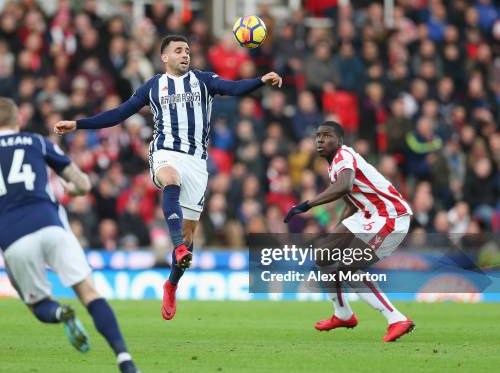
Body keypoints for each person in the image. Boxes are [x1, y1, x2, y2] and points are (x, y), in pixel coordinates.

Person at [54, 34, 282, 320]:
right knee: (170, 180)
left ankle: (171, 283)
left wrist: (260, 81)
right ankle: (176, 249)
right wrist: (78, 124)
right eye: (178, 50)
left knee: (189, 239)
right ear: (165, 57)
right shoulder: (153, 87)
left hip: (197, 162)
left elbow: (233, 88)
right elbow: (118, 113)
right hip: (165, 152)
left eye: (187, 50)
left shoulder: (203, 80)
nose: (185, 54)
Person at [0, 97, 144, 373]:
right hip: (51, 226)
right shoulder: (37, 142)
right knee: (90, 294)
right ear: (18, 121)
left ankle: (60, 314)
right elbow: (82, 183)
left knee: (38, 303)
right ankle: (124, 358)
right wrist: (74, 190)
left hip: (14, 239)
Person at [284, 121, 415, 342]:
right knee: (324, 254)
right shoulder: (334, 166)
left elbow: (344, 186)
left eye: (327, 136)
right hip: (368, 214)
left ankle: (396, 318)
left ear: (340, 141)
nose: (320, 140)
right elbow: (351, 204)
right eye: (318, 136)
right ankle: (342, 314)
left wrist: (308, 204)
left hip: (390, 216)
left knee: (348, 265)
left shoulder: (344, 156)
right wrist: (335, 232)